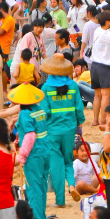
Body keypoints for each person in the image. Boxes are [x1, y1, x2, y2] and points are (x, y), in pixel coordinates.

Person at [39, 54, 85, 206]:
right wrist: (79, 122)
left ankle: (60, 200)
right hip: (69, 129)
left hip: (52, 131)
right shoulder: (73, 86)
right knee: (68, 161)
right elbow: (79, 109)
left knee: (56, 165)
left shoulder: (46, 88)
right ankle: (71, 185)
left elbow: (45, 112)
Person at [6, 84, 50, 219]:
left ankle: (36, 217)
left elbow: (30, 135)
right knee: (42, 184)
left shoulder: (25, 114)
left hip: (34, 154)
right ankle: (41, 215)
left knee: (33, 186)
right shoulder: (39, 109)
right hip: (45, 150)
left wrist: (23, 156)